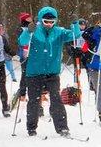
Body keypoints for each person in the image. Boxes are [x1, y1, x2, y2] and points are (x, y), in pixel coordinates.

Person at [18, 7, 83, 137]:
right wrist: (28, 31)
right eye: (46, 21)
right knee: (34, 101)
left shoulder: (59, 32)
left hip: (52, 73)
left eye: (51, 22)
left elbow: (75, 35)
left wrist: (75, 24)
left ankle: (62, 128)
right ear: (41, 20)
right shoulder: (34, 30)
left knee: (56, 99)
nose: (49, 24)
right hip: (34, 72)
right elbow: (22, 41)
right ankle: (31, 128)